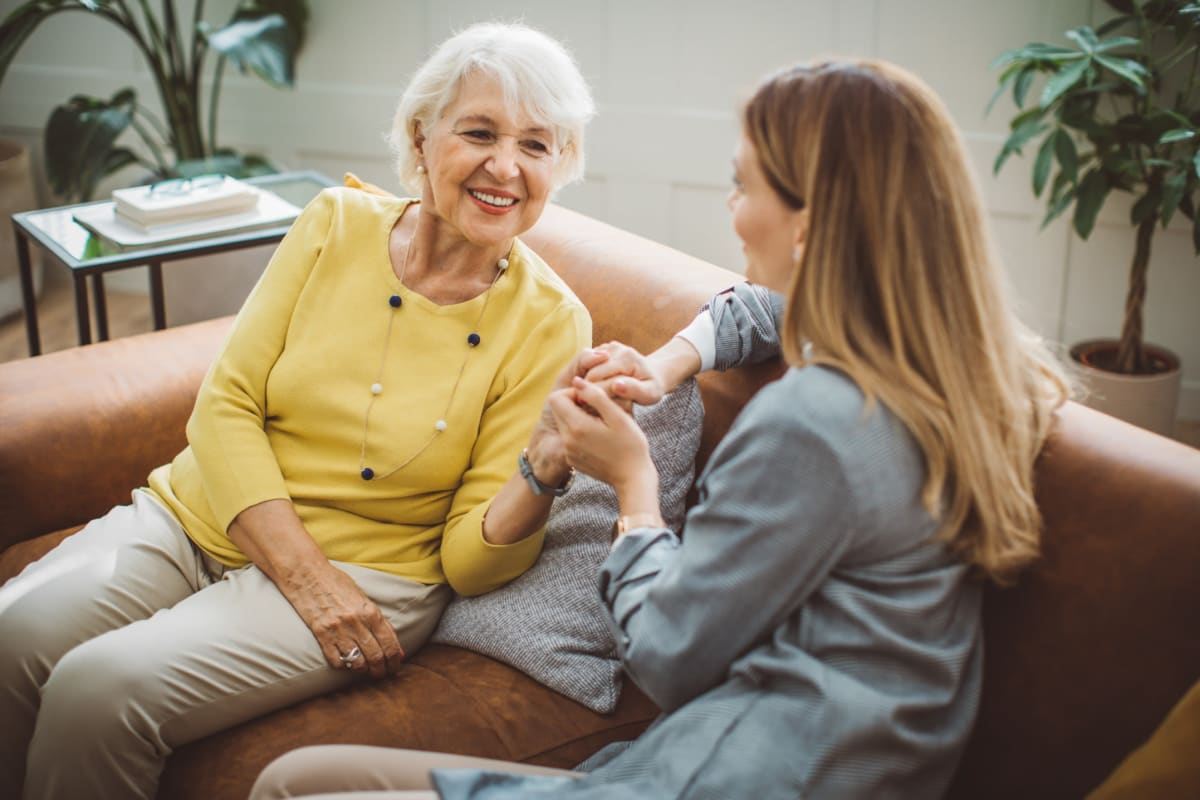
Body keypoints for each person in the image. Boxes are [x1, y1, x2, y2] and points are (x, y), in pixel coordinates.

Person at [248, 58, 1071, 799]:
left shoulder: (814, 423)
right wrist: (673, 361)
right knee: (301, 777)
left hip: (738, 774)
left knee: (297, 788)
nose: (732, 210)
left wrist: (633, 485)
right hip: (805, 758)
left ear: (811, 225)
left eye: (746, 187)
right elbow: (767, 309)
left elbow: (672, 659)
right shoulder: (965, 362)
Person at [0, 21, 598, 800]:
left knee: (99, 692)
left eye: (536, 145)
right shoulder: (332, 223)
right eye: (479, 132)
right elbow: (226, 404)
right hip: (203, 514)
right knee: (14, 633)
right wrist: (302, 574)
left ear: (560, 166)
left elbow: (467, 563)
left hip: (370, 572)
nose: (504, 167)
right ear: (421, 139)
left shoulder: (552, 321)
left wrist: (542, 472)